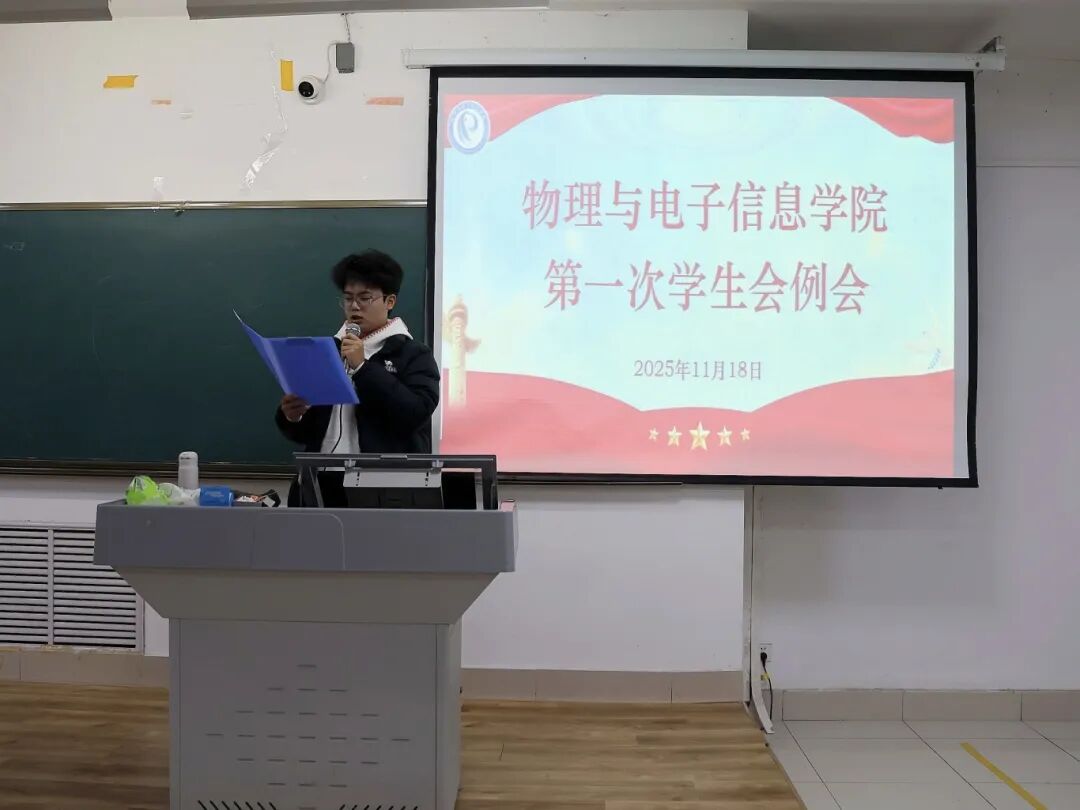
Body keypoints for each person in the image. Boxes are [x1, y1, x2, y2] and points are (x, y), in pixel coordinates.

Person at [275, 250, 440, 506]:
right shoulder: (327, 350)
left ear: (390, 301)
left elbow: (415, 413)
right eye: (348, 298)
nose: (354, 306)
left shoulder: (413, 354)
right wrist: (293, 416)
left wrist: (363, 367)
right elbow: (308, 432)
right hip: (318, 485)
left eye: (364, 298)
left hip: (382, 490)